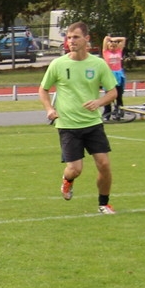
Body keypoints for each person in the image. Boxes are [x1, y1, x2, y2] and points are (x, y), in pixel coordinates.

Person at [38, 21, 118, 215]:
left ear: (86, 39)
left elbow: (113, 91)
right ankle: (67, 180)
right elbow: (43, 89)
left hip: (93, 123)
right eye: (69, 37)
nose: (71, 41)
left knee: (104, 164)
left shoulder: (98, 64)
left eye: (76, 37)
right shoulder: (58, 64)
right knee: (75, 169)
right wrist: (49, 108)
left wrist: (99, 102)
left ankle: (104, 203)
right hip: (68, 125)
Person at [101, 35, 127, 120]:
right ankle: (107, 114)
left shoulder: (119, 51)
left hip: (118, 75)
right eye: (111, 46)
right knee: (108, 95)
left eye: (114, 46)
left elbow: (123, 39)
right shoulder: (106, 52)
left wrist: (114, 40)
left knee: (119, 96)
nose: (112, 47)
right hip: (109, 75)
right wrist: (110, 40)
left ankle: (119, 112)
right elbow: (105, 38)